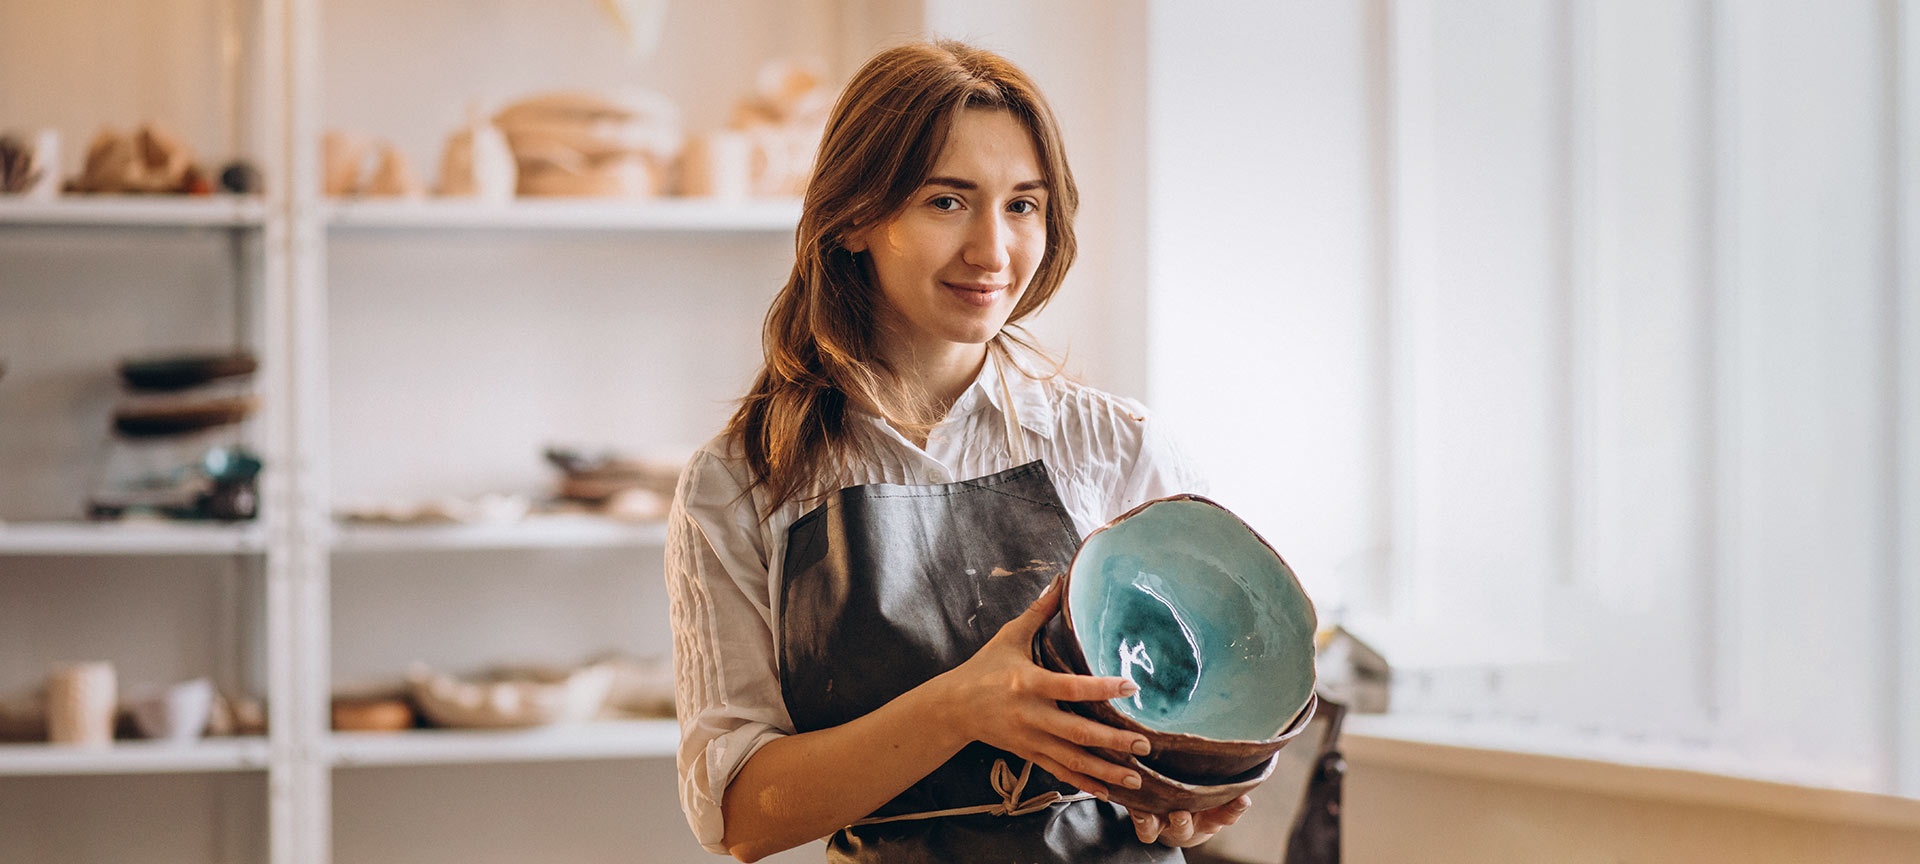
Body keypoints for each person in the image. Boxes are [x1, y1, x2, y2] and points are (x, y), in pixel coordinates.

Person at [666, 40, 1253, 863]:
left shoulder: (1117, 447)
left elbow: (1210, 714)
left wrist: (1189, 794)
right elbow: (741, 815)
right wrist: (961, 708)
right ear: (857, 217)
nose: (993, 251)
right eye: (947, 201)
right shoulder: (741, 482)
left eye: (1023, 205)